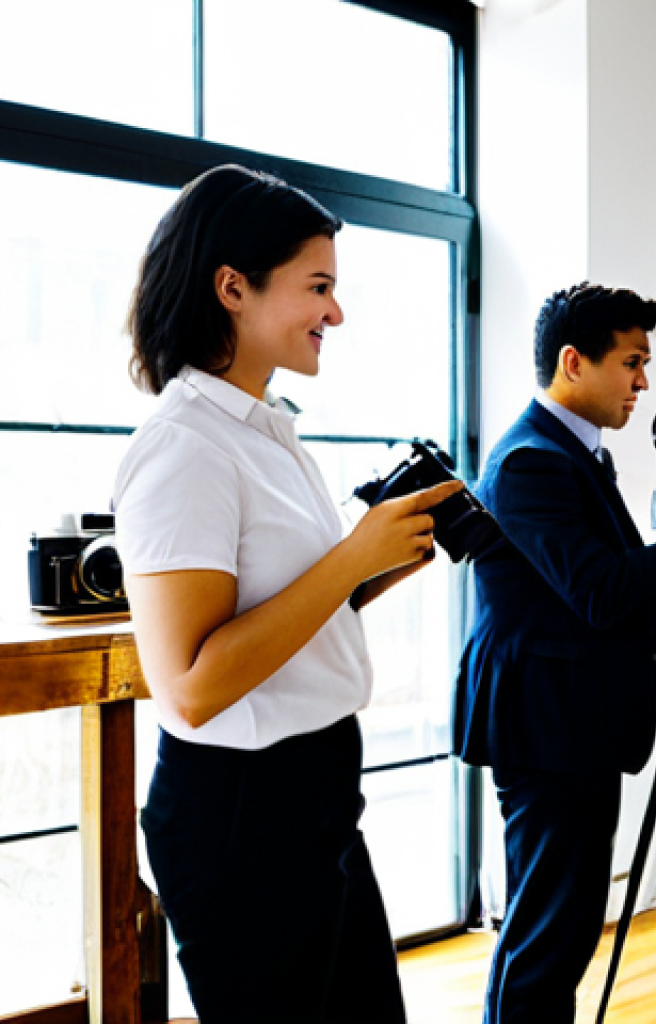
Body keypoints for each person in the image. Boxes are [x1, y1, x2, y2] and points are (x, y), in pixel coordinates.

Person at [113, 163, 461, 1024]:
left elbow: (285, 617)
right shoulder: (182, 446)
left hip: (314, 789)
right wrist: (347, 562)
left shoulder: (266, 429)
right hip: (240, 815)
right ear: (233, 287)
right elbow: (191, 686)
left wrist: (377, 565)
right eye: (318, 288)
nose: (335, 314)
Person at [453, 282, 656, 1023]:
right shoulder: (531, 461)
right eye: (633, 362)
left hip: (568, 724)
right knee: (550, 929)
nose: (644, 382)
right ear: (574, 362)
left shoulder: (573, 452)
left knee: (561, 924)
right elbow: (599, 591)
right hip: (547, 728)